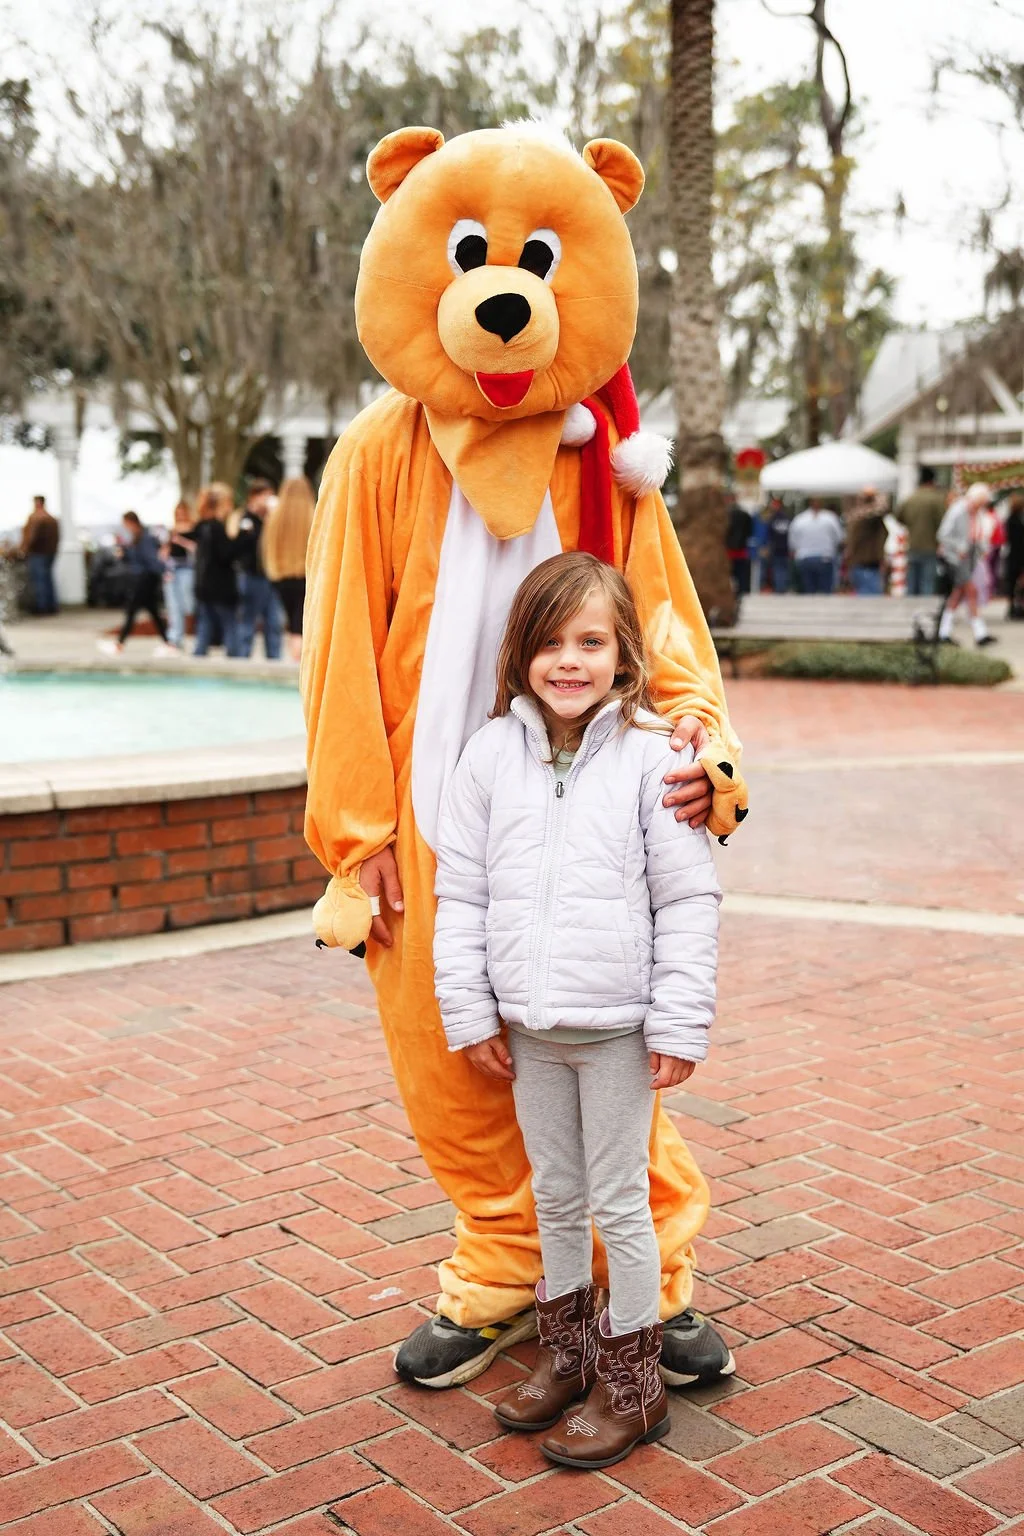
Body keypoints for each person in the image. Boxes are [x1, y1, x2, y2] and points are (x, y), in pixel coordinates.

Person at [303, 123, 748, 1395]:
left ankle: (649, 1280)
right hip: (441, 828)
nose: (506, 296)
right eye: (476, 260)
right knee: (452, 1066)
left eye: (539, 262)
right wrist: (360, 836)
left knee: (610, 1060)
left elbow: (668, 635)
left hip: (598, 814)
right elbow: (337, 654)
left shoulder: (614, 468)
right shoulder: (378, 455)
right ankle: (502, 1268)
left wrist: (706, 762)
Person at [434, 553, 720, 1468]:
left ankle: (633, 1389)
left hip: (618, 1033)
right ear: (521, 652)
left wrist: (678, 1023)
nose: (570, 660)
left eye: (591, 642)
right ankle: (567, 1357)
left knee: (620, 1204)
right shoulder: (487, 756)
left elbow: (687, 899)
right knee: (554, 1198)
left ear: (623, 655)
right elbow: (465, 896)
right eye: (551, 641)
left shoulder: (653, 759)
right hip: (528, 1029)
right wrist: (470, 1010)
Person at [98, 512, 170, 655]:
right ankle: (168, 642)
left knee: (132, 612)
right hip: (142, 578)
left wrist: (162, 571)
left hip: (144, 579)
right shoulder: (137, 537)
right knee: (153, 612)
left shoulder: (145, 537)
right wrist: (124, 552)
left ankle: (120, 643)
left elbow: (151, 559)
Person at [937, 482, 998, 647]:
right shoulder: (958, 510)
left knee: (958, 594)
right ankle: (979, 632)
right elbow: (943, 535)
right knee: (971, 591)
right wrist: (959, 546)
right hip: (956, 558)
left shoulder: (976, 513)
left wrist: (981, 548)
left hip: (969, 556)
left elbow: (975, 534)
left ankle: (944, 631)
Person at [261, 475, 315, 662]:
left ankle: (295, 659)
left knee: (292, 625)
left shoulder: (274, 519)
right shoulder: (313, 516)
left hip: (281, 577)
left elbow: (267, 548)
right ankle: (299, 663)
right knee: (300, 625)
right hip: (306, 577)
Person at [234, 478, 283, 660]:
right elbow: (240, 545)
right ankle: (243, 657)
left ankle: (274, 658)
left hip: (271, 576)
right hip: (252, 576)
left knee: (274, 622)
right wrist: (253, 515)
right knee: (248, 620)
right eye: (264, 495)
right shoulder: (246, 518)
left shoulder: (272, 518)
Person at [192, 482, 240, 657]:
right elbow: (225, 555)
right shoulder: (217, 528)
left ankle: (197, 661)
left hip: (204, 586)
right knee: (231, 626)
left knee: (204, 627)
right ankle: (235, 663)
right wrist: (242, 538)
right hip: (220, 586)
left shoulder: (203, 526)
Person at [898, 467, 946, 597]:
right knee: (927, 583)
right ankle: (923, 613)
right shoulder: (936, 499)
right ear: (932, 481)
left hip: (912, 545)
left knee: (911, 583)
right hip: (930, 546)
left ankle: (907, 612)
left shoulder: (911, 498)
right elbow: (943, 522)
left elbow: (899, 517)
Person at [788, 498, 843, 593]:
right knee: (825, 591)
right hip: (825, 557)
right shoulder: (830, 518)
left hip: (805, 558)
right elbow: (839, 537)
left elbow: (792, 541)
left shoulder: (800, 519)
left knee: (809, 591)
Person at [162, 500, 196, 651]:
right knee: (173, 605)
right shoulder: (171, 530)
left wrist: (181, 540)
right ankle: (175, 638)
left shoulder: (193, 529)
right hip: (172, 570)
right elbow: (164, 553)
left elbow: (196, 549)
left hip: (187, 569)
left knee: (188, 604)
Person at [845, 487, 889, 596]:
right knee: (871, 598)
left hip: (862, 563)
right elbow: (882, 510)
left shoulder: (856, 516)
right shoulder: (866, 518)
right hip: (866, 564)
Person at [20, 495, 60, 615]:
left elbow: (31, 537)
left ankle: (41, 607)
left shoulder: (36, 518)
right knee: (48, 579)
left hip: (37, 553)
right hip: (50, 553)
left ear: (37, 503)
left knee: (39, 581)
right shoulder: (52, 519)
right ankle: (52, 606)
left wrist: (24, 549)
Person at [725, 501, 753, 597]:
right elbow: (750, 532)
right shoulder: (745, 516)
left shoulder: (725, 515)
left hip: (728, 551)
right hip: (741, 551)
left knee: (728, 575)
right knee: (741, 575)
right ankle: (740, 593)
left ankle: (729, 593)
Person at [764, 496, 792, 593]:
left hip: (776, 549)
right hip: (785, 548)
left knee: (778, 569)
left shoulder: (772, 519)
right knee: (783, 569)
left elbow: (769, 535)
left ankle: (780, 589)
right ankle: (782, 588)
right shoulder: (787, 518)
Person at [1003, 492, 1024, 620]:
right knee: (1020, 583)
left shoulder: (1009, 520)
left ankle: (1012, 607)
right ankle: (1018, 606)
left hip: (1012, 555)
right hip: (1020, 556)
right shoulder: (1019, 521)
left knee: (1011, 583)